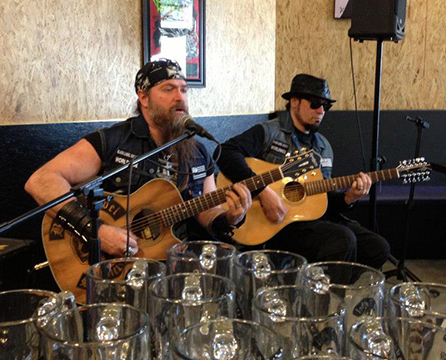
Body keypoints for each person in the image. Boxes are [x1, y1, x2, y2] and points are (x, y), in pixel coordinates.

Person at [25, 58, 251, 257]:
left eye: (184, 90)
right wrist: (97, 231)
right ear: (143, 97)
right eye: (168, 89)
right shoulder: (113, 141)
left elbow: (206, 210)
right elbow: (41, 181)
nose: (179, 97)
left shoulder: (198, 151)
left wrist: (231, 217)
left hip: (176, 263)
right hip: (117, 267)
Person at [215, 73, 390, 269]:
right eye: (315, 103)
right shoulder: (269, 132)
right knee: (342, 239)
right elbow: (225, 152)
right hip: (276, 224)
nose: (321, 110)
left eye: (326, 105)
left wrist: (348, 198)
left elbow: (323, 200)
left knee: (378, 248)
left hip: (311, 221)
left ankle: (333, 290)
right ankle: (321, 293)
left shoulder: (323, 147)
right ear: (294, 102)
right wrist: (262, 191)